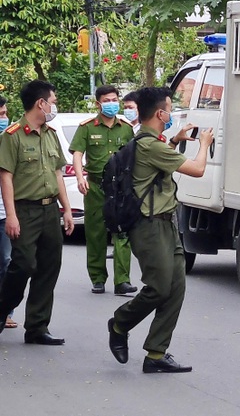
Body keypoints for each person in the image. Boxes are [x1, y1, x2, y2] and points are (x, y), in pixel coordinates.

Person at [107, 87, 213, 373]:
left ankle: (156, 353)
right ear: (159, 113)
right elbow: (198, 169)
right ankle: (120, 323)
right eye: (169, 108)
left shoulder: (152, 141)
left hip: (167, 223)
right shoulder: (149, 145)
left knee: (176, 287)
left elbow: (159, 164)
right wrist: (204, 143)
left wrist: (176, 141)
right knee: (158, 288)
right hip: (148, 226)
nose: (171, 113)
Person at [0, 80, 74, 345]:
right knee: (23, 265)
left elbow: (58, 175)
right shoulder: (13, 135)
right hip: (25, 210)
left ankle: (37, 327)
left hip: (49, 209)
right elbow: (6, 177)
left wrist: (66, 209)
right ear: (40, 103)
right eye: (52, 101)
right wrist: (11, 215)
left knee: (49, 266)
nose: (54, 106)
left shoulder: (51, 134)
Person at [70, 85, 137, 295]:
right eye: (107, 100)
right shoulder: (87, 127)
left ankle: (122, 280)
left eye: (114, 99)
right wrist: (80, 177)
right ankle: (98, 277)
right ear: (98, 103)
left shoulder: (125, 128)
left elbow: (133, 155)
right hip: (96, 186)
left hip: (119, 188)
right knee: (96, 233)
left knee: (122, 232)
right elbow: (78, 154)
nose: (111, 104)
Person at [0, 96, 16, 330]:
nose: (4, 118)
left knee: (6, 261)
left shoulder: (10, 141)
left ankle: (5, 311)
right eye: (0, 115)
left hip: (5, 212)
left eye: (4, 114)